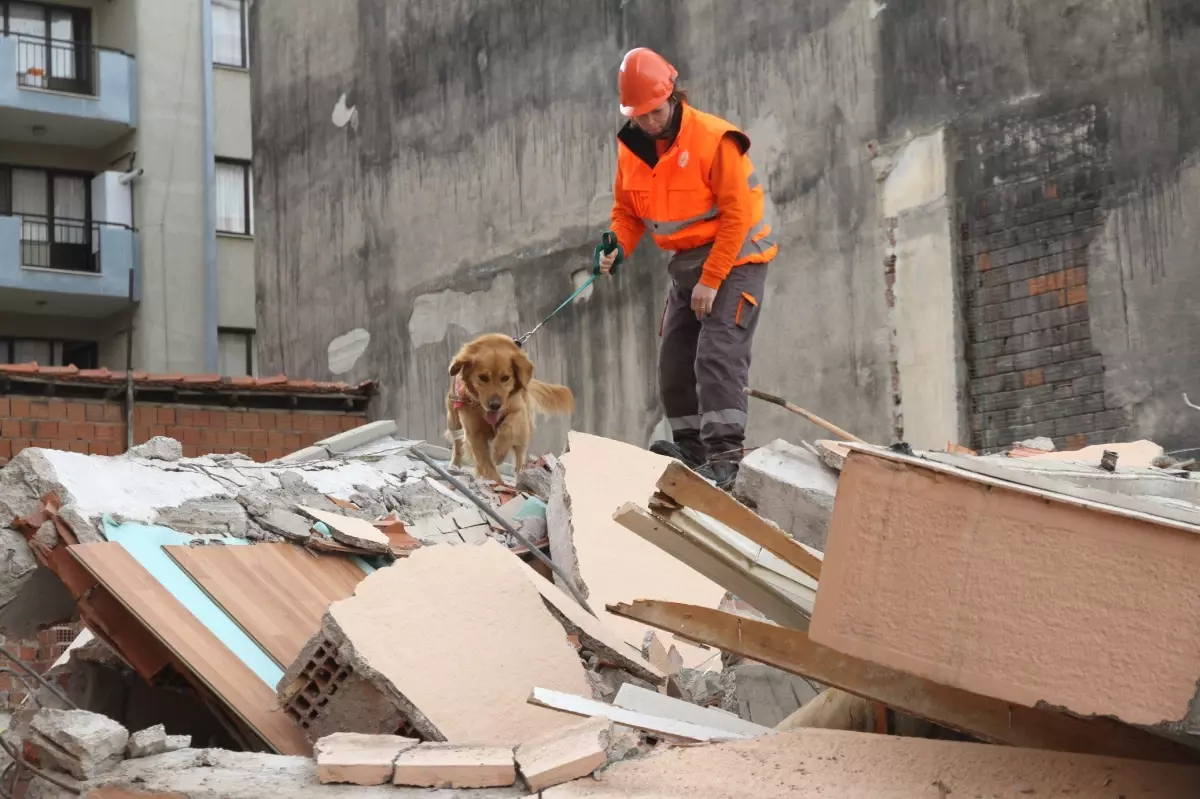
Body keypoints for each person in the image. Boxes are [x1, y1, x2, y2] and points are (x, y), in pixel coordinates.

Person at [596, 47, 778, 489]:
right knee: (675, 362)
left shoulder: (715, 139)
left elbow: (736, 217)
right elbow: (628, 213)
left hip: (738, 258)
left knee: (717, 356)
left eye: (656, 112)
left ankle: (725, 457)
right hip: (687, 265)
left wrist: (713, 281)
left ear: (673, 97)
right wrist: (617, 246)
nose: (650, 122)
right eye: (640, 115)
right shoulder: (632, 150)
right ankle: (692, 451)